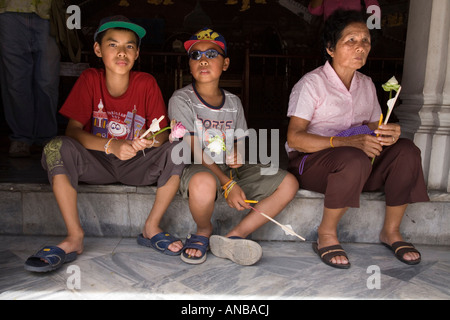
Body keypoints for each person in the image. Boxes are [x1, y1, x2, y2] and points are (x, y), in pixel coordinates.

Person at [24, 16, 185, 273]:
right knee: (56, 146)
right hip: (96, 162)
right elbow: (73, 131)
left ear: (137, 53)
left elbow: (163, 134)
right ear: (98, 49)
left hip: (137, 164)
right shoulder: (90, 79)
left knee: (178, 149)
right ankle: (74, 236)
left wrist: (148, 140)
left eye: (129, 46)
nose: (122, 52)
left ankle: (151, 227)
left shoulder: (146, 83)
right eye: (113, 45)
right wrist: (112, 146)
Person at [286, 10, 429, 269]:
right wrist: (346, 143)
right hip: (313, 165)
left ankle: (391, 231)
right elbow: (295, 139)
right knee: (353, 157)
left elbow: (376, 129)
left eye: (365, 41)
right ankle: (326, 234)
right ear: (330, 48)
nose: (360, 47)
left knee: (407, 150)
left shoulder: (367, 84)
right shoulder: (311, 84)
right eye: (351, 40)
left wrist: (390, 133)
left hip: (358, 164)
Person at [168, 28, 299, 265]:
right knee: (204, 182)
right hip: (197, 168)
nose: (203, 60)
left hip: (230, 171)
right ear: (189, 65)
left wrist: (236, 153)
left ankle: (234, 236)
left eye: (211, 54)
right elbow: (193, 147)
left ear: (225, 63)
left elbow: (238, 140)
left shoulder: (234, 102)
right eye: (195, 55)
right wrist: (227, 184)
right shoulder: (181, 99)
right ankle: (203, 231)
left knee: (288, 183)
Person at [0, 0, 60, 157]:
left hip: (48, 10)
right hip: (8, 9)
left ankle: (47, 136)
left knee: (48, 79)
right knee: (15, 80)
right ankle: (21, 137)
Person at [308, 0, 380, 21]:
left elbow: (375, 10)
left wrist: (369, 34)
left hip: (353, 33)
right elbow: (315, 11)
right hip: (331, 35)